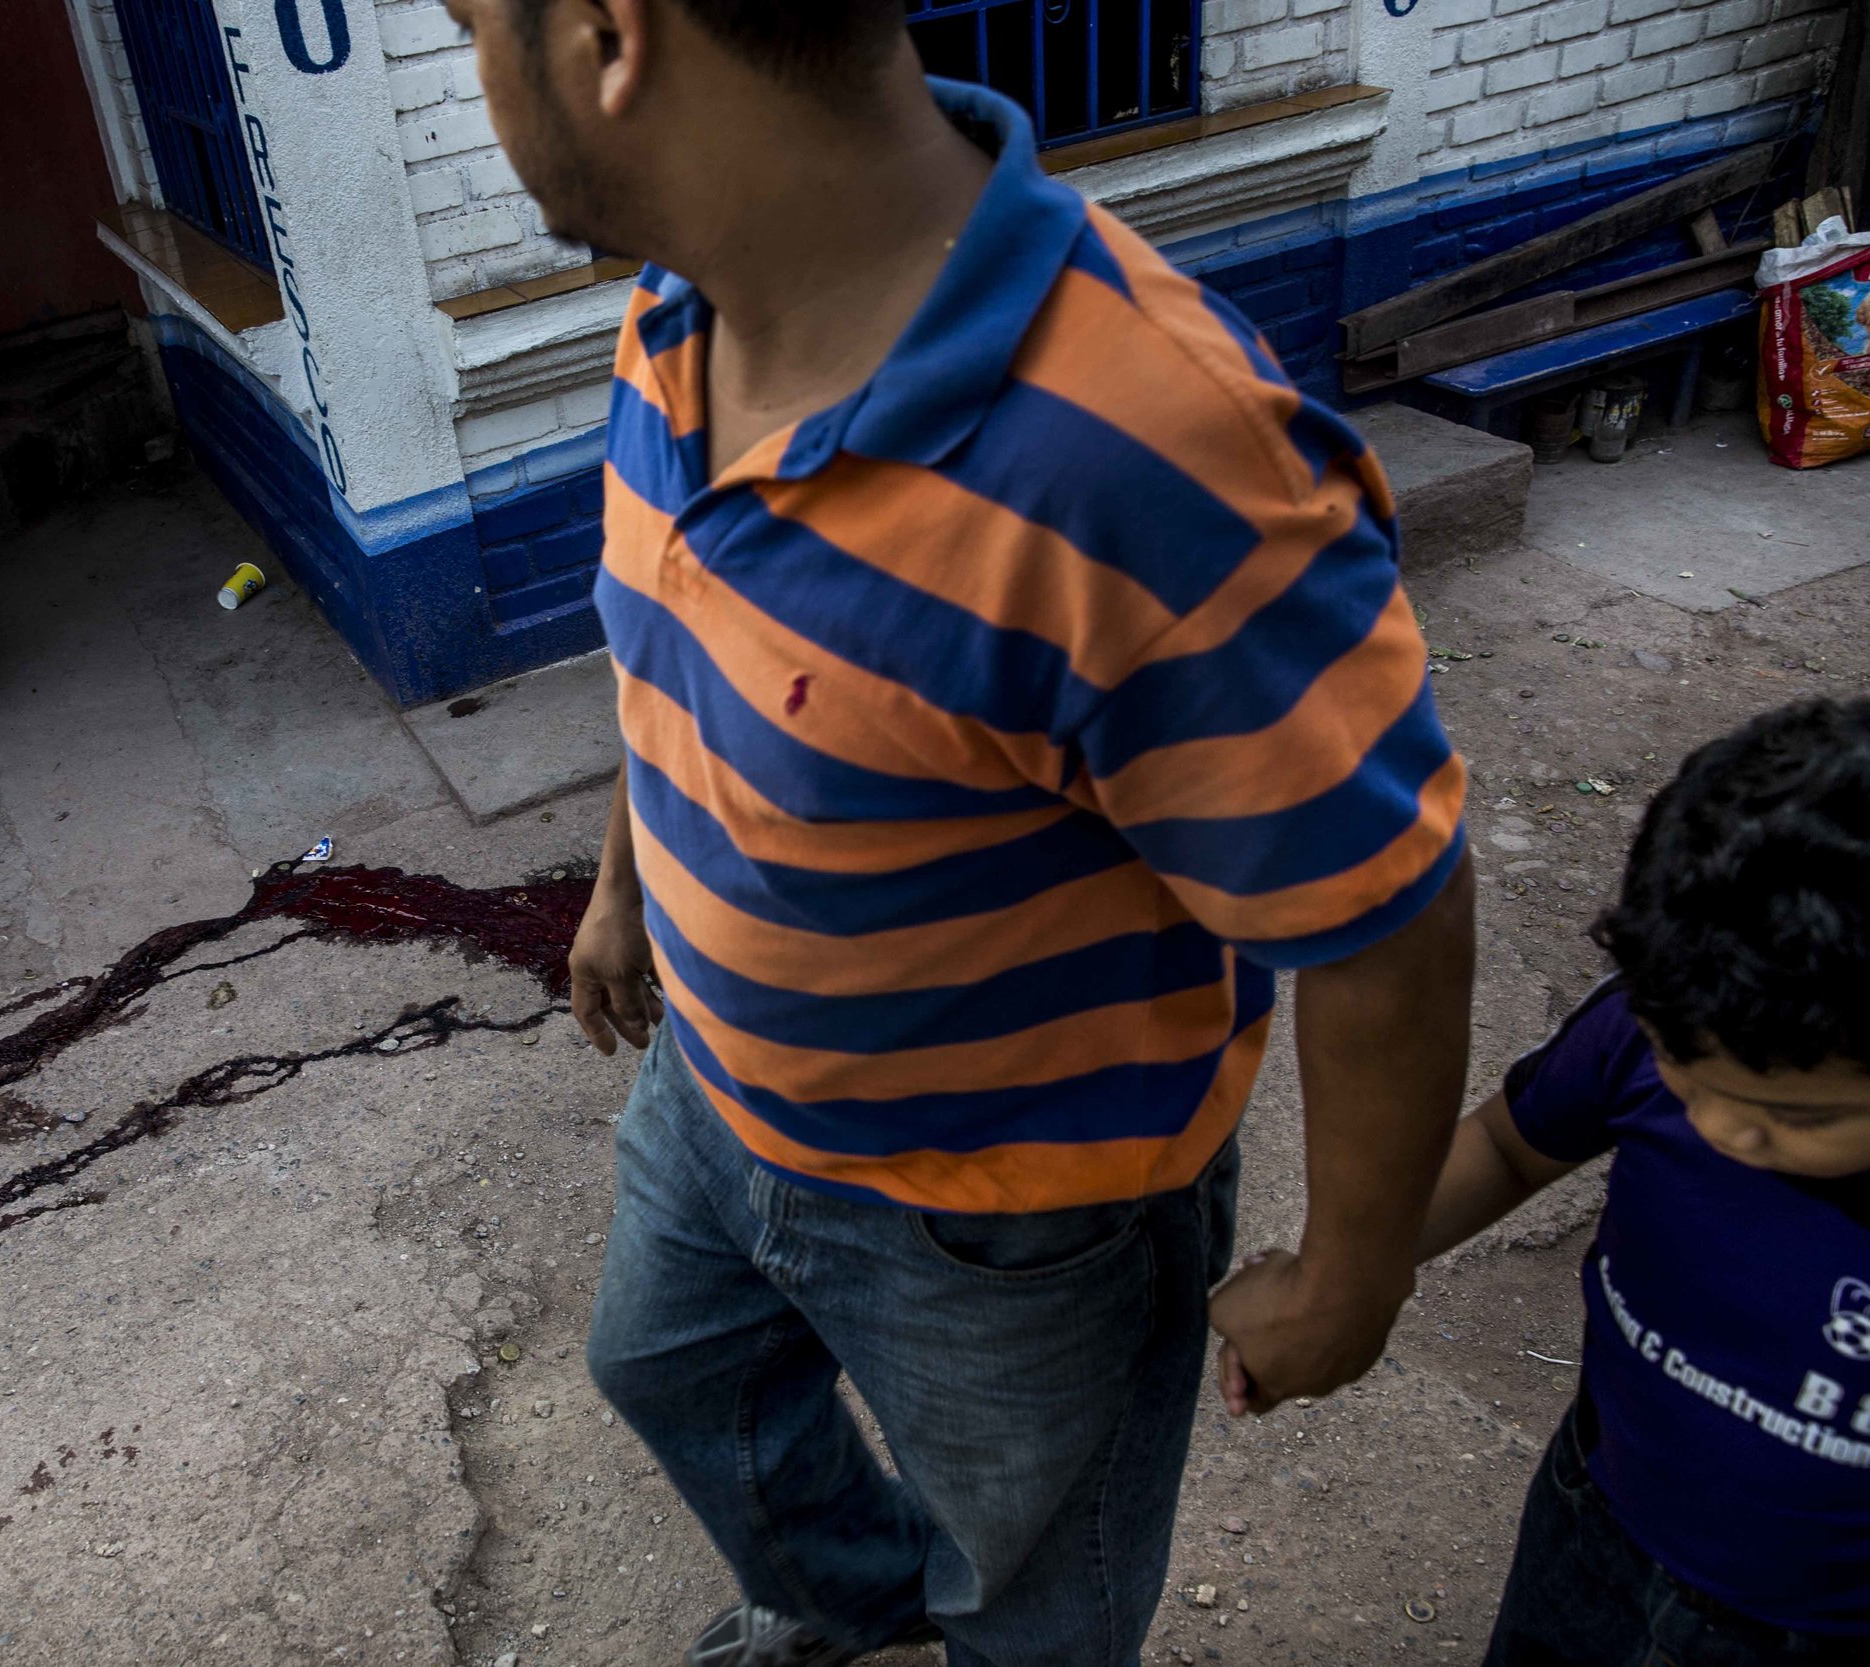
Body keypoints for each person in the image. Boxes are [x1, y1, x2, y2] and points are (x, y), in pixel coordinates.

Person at [441, 2, 1476, 1661]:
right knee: (669, 1366)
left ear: (604, 37)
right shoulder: (675, 309)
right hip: (711, 1089)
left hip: (1013, 1224)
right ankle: (842, 1606)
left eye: (468, 21)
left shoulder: (1147, 451)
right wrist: (623, 886)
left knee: (1036, 1592)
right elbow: (679, 638)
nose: (470, 74)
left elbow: (1385, 912)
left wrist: (1351, 1282)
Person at [1417, 697, 1870, 1664]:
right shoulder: (1655, 1018)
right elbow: (1503, 1147)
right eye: (1681, 1073)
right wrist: (1345, 1270)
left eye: (1798, 1118)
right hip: (1593, 1516)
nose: (1715, 1127)